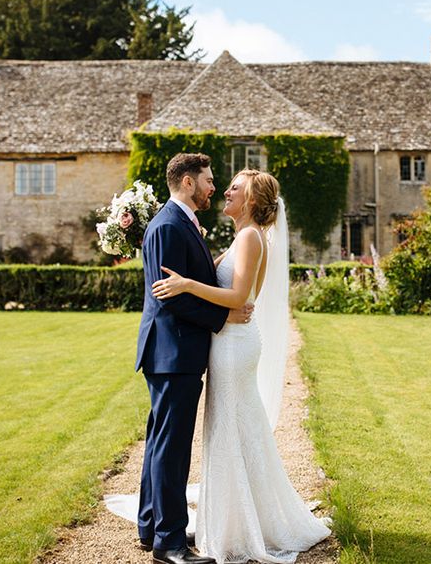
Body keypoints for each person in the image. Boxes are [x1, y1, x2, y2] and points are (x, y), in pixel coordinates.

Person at [152, 169, 331, 564]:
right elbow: (224, 285)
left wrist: (186, 285)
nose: (225, 191)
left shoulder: (250, 237)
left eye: (234, 187)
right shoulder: (243, 238)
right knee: (231, 428)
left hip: (233, 346)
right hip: (229, 342)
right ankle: (232, 518)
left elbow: (235, 296)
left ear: (251, 199)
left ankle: (237, 526)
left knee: (228, 430)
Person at [136, 153, 254, 564]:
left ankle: (152, 526)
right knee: (172, 448)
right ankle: (169, 542)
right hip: (174, 352)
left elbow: (192, 281)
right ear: (187, 182)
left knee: (159, 442)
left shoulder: (179, 222)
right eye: (207, 180)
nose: (212, 187)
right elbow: (171, 299)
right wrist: (225, 315)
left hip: (172, 352)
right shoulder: (169, 224)